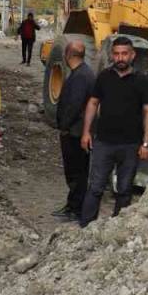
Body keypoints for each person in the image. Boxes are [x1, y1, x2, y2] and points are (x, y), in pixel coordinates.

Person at [79, 37, 148, 227]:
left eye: (124, 53)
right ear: (112, 55)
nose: (120, 57)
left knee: (124, 189)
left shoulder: (142, 81)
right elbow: (93, 103)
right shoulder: (104, 77)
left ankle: (117, 228)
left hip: (130, 145)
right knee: (95, 187)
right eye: (116, 53)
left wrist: (146, 143)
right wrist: (86, 132)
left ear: (132, 55)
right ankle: (86, 227)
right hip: (104, 142)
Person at [52, 40, 95, 221]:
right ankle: (72, 205)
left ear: (68, 55)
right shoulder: (82, 73)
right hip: (76, 130)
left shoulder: (81, 76)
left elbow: (74, 105)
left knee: (76, 173)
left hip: (75, 132)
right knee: (76, 172)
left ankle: (76, 209)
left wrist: (64, 126)